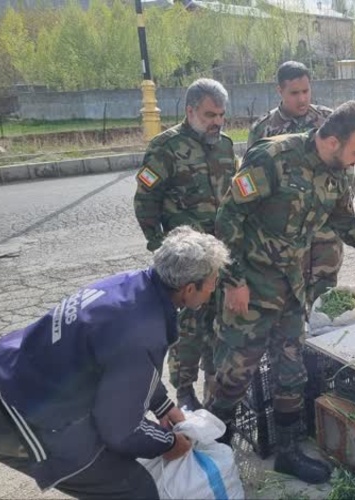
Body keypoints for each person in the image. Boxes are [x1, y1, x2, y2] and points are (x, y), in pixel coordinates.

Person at [210, 101, 355, 484]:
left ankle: (289, 452)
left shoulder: (338, 175)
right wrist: (233, 280)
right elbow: (227, 219)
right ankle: (213, 458)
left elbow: (346, 225)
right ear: (333, 140)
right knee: (233, 376)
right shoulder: (272, 157)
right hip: (250, 289)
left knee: (291, 374)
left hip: (292, 289)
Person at [0, 226, 231, 499]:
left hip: (12, 386)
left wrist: (163, 405)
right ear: (189, 288)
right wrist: (170, 443)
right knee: (135, 490)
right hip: (17, 425)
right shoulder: (142, 332)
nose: (214, 289)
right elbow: (121, 430)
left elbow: (124, 369)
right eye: (213, 282)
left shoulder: (133, 286)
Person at [133, 78, 236, 411]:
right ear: (190, 110)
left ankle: (214, 386)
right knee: (186, 330)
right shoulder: (166, 147)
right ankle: (185, 391)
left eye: (221, 114)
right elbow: (145, 201)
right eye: (209, 114)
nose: (217, 121)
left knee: (218, 324)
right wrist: (160, 247)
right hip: (184, 262)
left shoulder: (225, 145)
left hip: (216, 257)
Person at [248, 61, 346, 308]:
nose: (302, 99)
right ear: (279, 91)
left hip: (325, 238)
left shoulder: (330, 121)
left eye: (306, 91)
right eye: (294, 93)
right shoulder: (263, 130)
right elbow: (253, 187)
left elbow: (346, 175)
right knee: (288, 307)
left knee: (326, 305)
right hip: (285, 244)